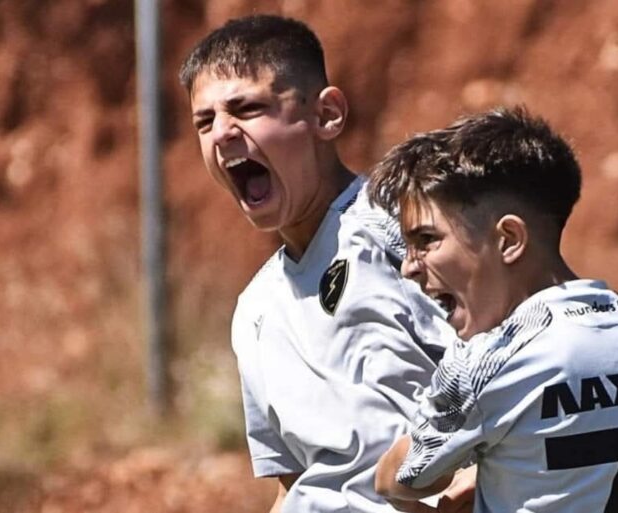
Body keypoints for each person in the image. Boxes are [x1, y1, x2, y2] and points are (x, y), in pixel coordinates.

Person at [178, 14, 465, 513]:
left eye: (247, 108)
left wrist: (472, 484)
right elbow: (294, 483)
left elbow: (525, 380)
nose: (221, 133)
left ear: (327, 115)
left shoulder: (402, 233)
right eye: (204, 122)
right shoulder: (255, 310)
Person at [369, 107, 618, 513]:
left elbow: (399, 478)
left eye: (426, 239)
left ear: (509, 239)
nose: (409, 267)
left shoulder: (490, 361)